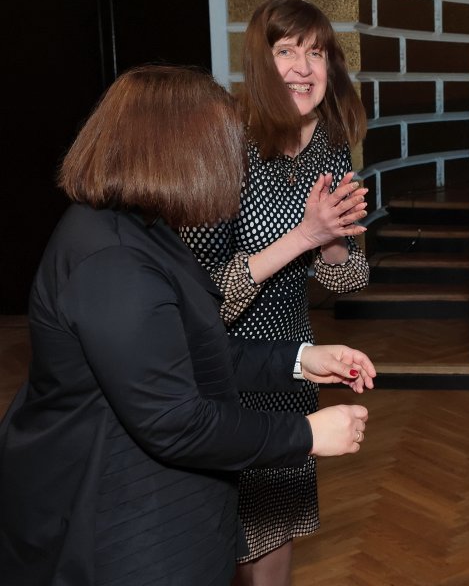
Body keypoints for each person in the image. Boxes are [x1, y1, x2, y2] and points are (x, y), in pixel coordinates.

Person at [0, 65, 376, 586]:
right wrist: (305, 433)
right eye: (224, 149)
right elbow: (177, 421)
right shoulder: (112, 261)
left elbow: (189, 351)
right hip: (122, 523)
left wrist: (298, 361)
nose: (235, 168)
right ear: (176, 152)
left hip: (154, 505)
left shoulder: (142, 228)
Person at [178, 0, 371, 584]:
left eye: (316, 53)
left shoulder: (330, 147)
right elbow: (203, 297)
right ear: (260, 62)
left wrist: (333, 239)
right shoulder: (225, 146)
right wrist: (304, 235)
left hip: (294, 362)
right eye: (285, 50)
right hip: (226, 369)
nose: (302, 68)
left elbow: (349, 277)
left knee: (278, 528)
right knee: (222, 536)